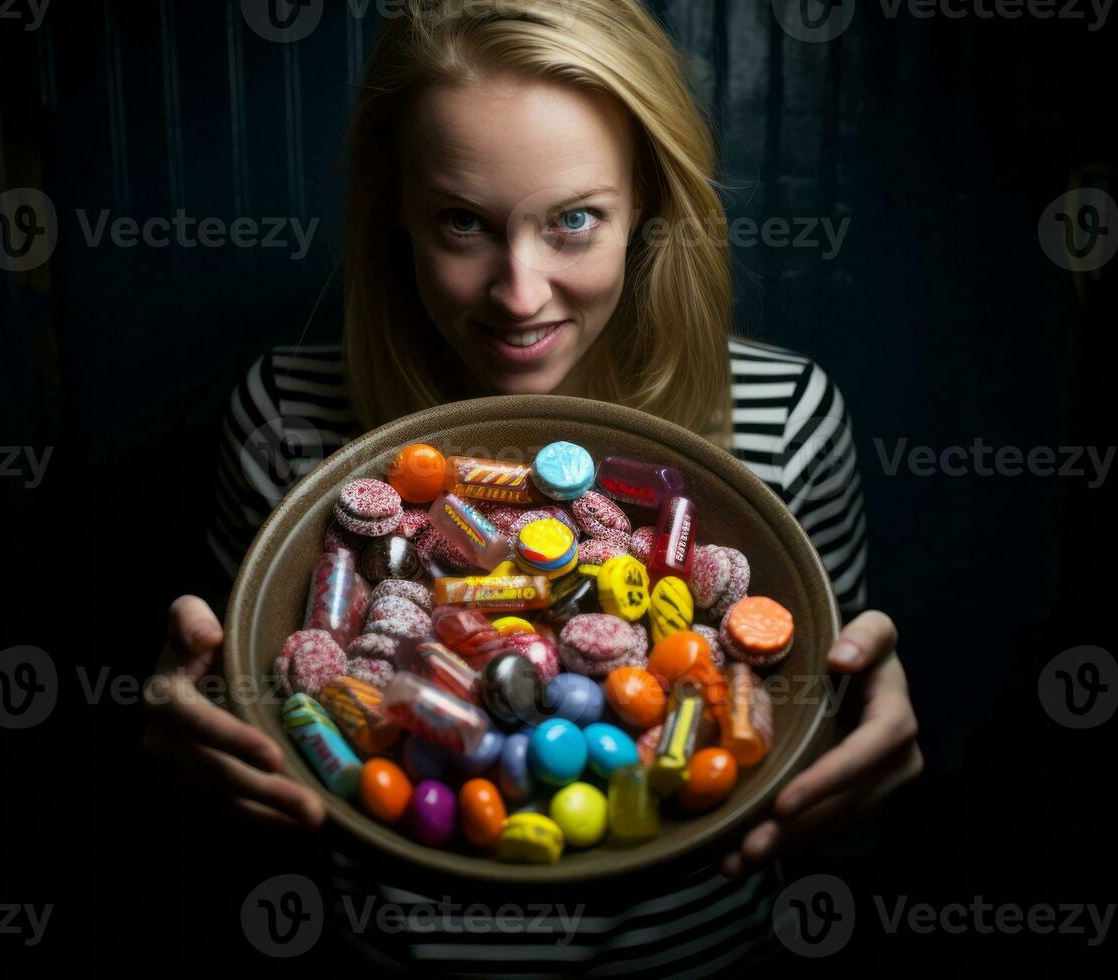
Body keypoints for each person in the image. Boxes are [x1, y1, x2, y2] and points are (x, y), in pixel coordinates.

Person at [143, 0, 922, 973]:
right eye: (461, 221)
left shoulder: (787, 416)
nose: (518, 293)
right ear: (394, 208)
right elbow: (268, 717)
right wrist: (191, 751)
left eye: (573, 220)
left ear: (647, 204)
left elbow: (799, 718)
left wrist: (851, 737)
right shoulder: (285, 419)